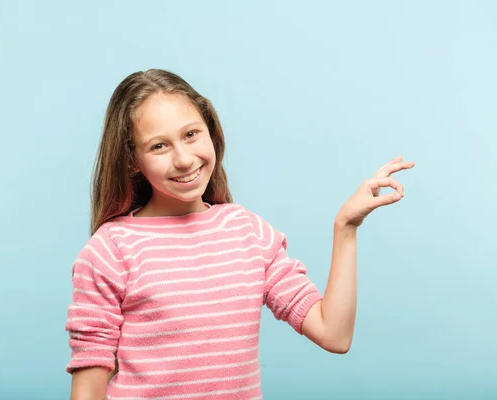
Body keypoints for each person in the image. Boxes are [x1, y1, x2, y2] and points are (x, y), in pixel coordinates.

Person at [65, 68, 415, 400]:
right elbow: (88, 388)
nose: (184, 159)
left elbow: (334, 334)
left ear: (210, 130)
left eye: (191, 134)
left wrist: (346, 228)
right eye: (159, 146)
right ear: (132, 160)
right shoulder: (110, 251)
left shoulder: (249, 233)